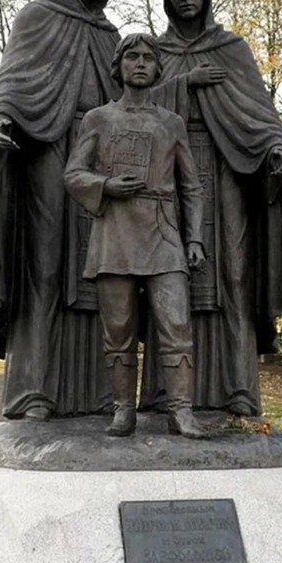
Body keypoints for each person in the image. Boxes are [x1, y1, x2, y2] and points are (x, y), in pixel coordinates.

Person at [0, 0, 122, 421]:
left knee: (100, 270)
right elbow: (10, 81)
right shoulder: (39, 16)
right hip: (47, 147)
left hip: (99, 159)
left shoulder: (111, 37)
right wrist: (1, 118)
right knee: (45, 264)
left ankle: (99, 393)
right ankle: (32, 390)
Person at [142, 0, 282, 417]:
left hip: (227, 163)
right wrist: (186, 83)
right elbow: (138, 105)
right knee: (168, 273)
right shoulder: (157, 53)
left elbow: (259, 112)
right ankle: (164, 391)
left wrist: (274, 147)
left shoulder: (231, 48)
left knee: (233, 270)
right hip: (170, 172)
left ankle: (238, 387)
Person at [64, 34, 207, 438]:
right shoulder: (98, 119)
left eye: (148, 57)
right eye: (132, 57)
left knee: (176, 325)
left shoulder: (171, 123)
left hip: (163, 234)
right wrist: (105, 185)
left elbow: (191, 187)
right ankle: (123, 410)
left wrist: (195, 239)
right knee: (118, 331)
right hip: (115, 234)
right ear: (119, 65)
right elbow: (73, 174)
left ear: (158, 68)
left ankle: (181, 411)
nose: (140, 63)